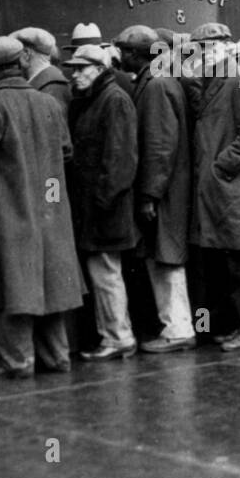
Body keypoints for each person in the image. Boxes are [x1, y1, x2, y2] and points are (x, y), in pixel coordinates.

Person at [0, 37, 84, 377]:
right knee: (50, 283)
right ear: (19, 64)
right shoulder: (47, 103)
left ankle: (19, 361)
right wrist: (51, 197)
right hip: (51, 206)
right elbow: (66, 153)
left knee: (14, 283)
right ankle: (57, 357)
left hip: (11, 209)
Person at [189, 22, 240, 350]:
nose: (204, 53)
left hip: (234, 188)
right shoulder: (211, 79)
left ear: (224, 46)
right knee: (223, 267)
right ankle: (228, 327)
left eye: (211, 46)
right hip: (220, 190)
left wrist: (222, 165)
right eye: (200, 48)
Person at [116, 25, 194, 352]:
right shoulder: (158, 80)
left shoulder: (156, 85)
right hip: (167, 188)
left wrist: (149, 195)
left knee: (167, 258)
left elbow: (160, 146)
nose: (121, 58)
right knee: (164, 257)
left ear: (135, 54)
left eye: (124, 52)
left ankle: (178, 330)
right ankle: (177, 327)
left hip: (163, 191)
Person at [63, 43, 140, 360]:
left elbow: (121, 160)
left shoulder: (112, 100)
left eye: (82, 68)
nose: (75, 74)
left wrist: (101, 200)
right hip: (98, 207)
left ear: (99, 69)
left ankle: (118, 337)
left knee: (106, 274)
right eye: (74, 68)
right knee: (104, 274)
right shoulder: (98, 99)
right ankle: (114, 336)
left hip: (105, 208)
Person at [13, 27, 71, 108]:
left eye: (17, 55)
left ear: (26, 54)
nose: (16, 61)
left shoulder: (50, 88)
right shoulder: (50, 84)